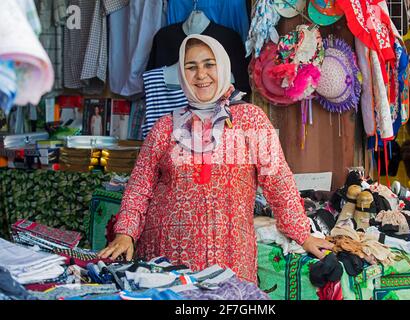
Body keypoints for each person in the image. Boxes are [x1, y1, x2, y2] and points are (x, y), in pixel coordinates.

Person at [98, 34, 333, 283]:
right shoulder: (165, 127)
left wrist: (303, 235)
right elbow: (139, 187)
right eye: (191, 67)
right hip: (166, 259)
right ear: (181, 73)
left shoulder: (250, 120)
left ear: (222, 67)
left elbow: (278, 181)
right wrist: (125, 233)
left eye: (209, 64)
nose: (201, 75)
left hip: (230, 257)